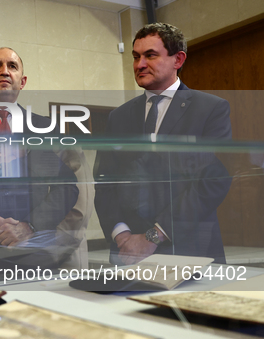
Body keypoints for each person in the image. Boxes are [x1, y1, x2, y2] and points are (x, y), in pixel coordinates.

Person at [94, 23, 232, 265]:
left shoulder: (211, 109)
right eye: (136, 57)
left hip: (190, 252)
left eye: (150, 55)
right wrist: (123, 236)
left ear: (178, 60)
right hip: (128, 254)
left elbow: (212, 182)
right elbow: (105, 181)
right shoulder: (119, 117)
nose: (140, 65)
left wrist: (152, 237)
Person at [0, 47, 84, 268]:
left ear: (23, 80)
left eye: (12, 66)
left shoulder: (43, 127)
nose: (4, 71)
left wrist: (29, 225)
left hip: (33, 252)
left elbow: (67, 187)